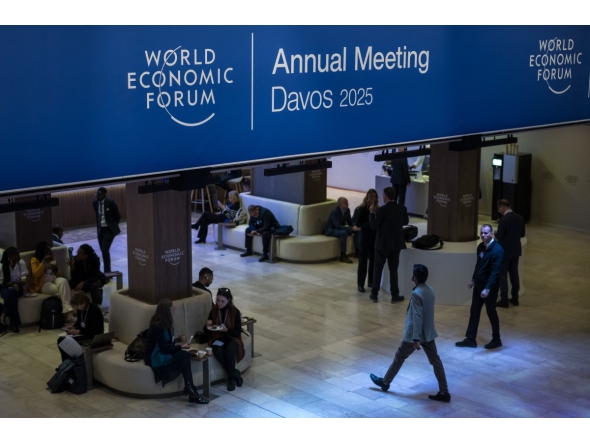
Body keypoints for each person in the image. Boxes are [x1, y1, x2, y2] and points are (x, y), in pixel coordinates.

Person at [370, 264, 451, 403]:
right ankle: (444, 391)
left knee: (399, 356)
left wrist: (415, 339)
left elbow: (417, 317)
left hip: (416, 334)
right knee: (436, 361)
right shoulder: (430, 290)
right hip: (429, 334)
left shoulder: (416, 294)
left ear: (415, 277)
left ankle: (385, 382)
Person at [144, 299, 209, 404]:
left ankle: (190, 388)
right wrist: (181, 347)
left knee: (185, 356)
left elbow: (165, 343)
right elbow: (164, 348)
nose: (174, 310)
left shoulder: (165, 323)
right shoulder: (157, 327)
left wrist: (177, 340)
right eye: (172, 308)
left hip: (162, 353)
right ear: (167, 311)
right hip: (155, 357)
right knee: (184, 355)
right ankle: (191, 389)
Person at [456, 224, 504, 350]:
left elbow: (495, 272)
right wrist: (473, 279)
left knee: (491, 312)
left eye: (486, 233)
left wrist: (487, 289)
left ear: (492, 234)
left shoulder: (497, 250)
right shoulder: (480, 247)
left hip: (489, 289)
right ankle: (471, 339)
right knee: (474, 311)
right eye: (482, 233)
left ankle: (497, 339)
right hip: (478, 286)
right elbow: (479, 266)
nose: (483, 235)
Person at [369, 187, 409, 303]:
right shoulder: (402, 208)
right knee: (393, 270)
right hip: (396, 244)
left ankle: (374, 294)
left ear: (385, 196)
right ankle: (395, 295)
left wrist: (372, 213)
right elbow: (405, 222)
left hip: (382, 244)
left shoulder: (382, 210)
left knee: (378, 270)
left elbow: (374, 226)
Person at [204, 288, 245, 391]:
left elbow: (238, 332)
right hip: (218, 337)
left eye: (222, 301)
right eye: (218, 300)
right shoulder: (214, 311)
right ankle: (234, 373)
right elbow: (207, 331)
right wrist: (207, 325)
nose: (219, 303)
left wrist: (227, 330)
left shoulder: (235, 312)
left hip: (232, 337)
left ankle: (230, 379)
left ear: (228, 300)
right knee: (217, 349)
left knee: (229, 350)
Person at [29, 241, 73, 320]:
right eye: (46, 251)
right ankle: (69, 314)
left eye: (49, 250)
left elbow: (58, 274)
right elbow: (36, 274)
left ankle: (67, 310)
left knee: (64, 281)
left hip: (54, 279)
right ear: (41, 251)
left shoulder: (52, 258)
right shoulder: (34, 260)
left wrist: (55, 269)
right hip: (43, 283)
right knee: (63, 289)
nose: (49, 252)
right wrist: (43, 262)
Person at [495, 199, 526, 308]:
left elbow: (499, 236)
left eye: (499, 209)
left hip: (504, 251)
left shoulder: (504, 220)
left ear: (502, 208)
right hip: (516, 250)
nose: (500, 211)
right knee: (514, 274)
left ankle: (504, 299)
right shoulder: (520, 218)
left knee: (502, 274)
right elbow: (522, 234)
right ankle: (515, 298)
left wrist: (496, 232)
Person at [57, 291, 104, 361]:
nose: (76, 308)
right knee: (61, 340)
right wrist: (73, 327)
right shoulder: (81, 309)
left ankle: (72, 361)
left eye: (77, 305)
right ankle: (67, 362)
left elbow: (95, 330)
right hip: (84, 333)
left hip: (93, 336)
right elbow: (80, 323)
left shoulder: (94, 310)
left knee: (64, 341)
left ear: (84, 302)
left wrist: (79, 332)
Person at [92, 187, 121, 273]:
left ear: (104, 194)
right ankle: (106, 271)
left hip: (109, 230)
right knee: (103, 251)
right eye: (97, 194)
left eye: (99, 194)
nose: (97, 196)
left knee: (105, 250)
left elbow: (117, 216)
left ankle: (107, 272)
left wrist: (113, 226)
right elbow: (97, 216)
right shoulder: (95, 203)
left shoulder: (110, 202)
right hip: (100, 230)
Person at [324, 197, 361, 264]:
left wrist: (355, 226)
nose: (348, 204)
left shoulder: (347, 210)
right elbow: (337, 226)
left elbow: (350, 221)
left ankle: (357, 251)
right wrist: (351, 228)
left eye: (347, 202)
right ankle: (343, 255)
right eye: (345, 203)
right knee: (344, 233)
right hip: (331, 229)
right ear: (340, 204)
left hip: (340, 228)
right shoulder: (334, 212)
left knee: (357, 230)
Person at [356, 189, 379, 291]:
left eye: (374, 196)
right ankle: (360, 284)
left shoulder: (378, 209)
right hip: (365, 238)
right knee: (363, 262)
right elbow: (358, 224)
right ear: (367, 197)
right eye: (371, 196)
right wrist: (370, 224)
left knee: (373, 262)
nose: (373, 198)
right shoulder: (362, 209)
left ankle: (371, 281)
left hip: (374, 239)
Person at [0, 247, 27, 333]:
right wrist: (15, 283)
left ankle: (2, 315)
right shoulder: (2, 266)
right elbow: (2, 283)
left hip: (18, 288)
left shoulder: (21, 263)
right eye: (17, 254)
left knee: (13, 292)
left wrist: (17, 283)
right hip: (5, 289)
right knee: (12, 295)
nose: (19, 256)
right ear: (10, 256)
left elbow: (23, 280)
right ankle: (14, 324)